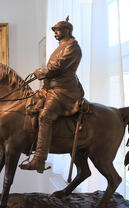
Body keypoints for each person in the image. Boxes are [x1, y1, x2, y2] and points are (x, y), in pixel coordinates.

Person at [20, 16, 85, 173]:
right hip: (50, 89)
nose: (56, 33)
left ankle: (39, 160)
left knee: (45, 116)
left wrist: (41, 71)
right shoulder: (61, 45)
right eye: (55, 30)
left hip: (64, 91)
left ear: (67, 30)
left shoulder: (72, 47)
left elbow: (58, 67)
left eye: (58, 30)